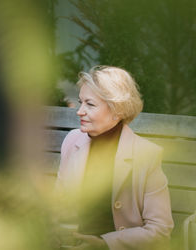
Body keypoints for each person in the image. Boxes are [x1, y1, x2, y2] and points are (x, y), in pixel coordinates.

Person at [56, 66, 174, 250]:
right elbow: (58, 207)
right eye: (80, 102)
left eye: (90, 104)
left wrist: (105, 245)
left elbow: (160, 230)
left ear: (117, 111)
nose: (80, 111)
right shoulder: (72, 141)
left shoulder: (147, 154)